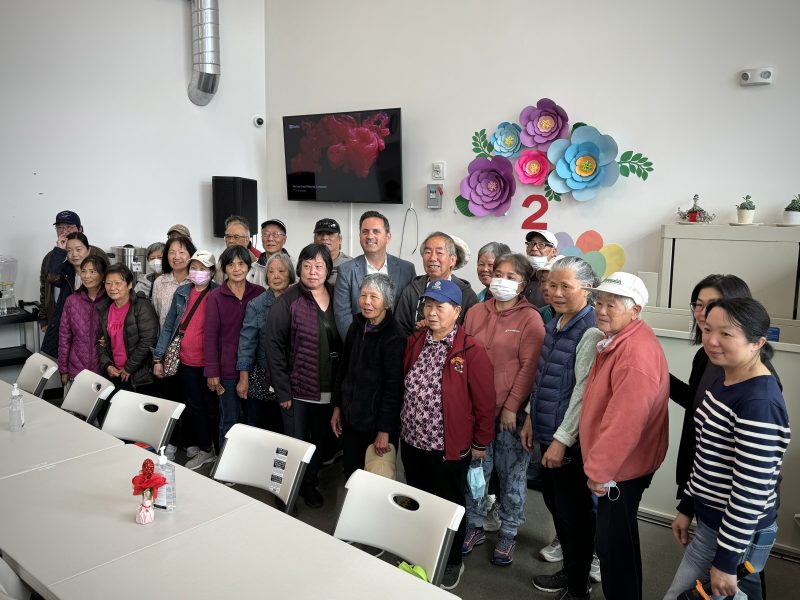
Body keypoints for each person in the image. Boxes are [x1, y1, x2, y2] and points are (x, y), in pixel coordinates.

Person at [663, 298, 790, 600]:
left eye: (726, 334)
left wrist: (726, 561)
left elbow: (750, 491)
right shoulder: (724, 377)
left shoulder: (759, 402)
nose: (712, 340)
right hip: (711, 524)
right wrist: (688, 506)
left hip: (735, 536)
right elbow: (706, 455)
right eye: (707, 329)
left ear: (758, 341)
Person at [578, 272, 669, 600]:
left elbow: (625, 424)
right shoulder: (621, 339)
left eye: (612, 304)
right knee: (619, 542)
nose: (601, 310)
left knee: (614, 548)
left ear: (636, 310)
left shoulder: (634, 354)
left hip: (621, 471)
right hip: (622, 467)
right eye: (599, 302)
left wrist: (600, 472)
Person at [400, 279, 495, 590]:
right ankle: (419, 551)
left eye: (439, 306)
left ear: (457, 311)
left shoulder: (471, 349)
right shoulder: (416, 341)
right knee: (418, 500)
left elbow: (484, 402)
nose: (432, 312)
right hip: (413, 440)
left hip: (448, 447)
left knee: (451, 504)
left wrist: (480, 443)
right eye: (428, 305)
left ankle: (453, 560)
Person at [521, 257, 604, 599]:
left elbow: (582, 393)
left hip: (567, 443)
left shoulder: (590, 330)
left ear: (586, 289)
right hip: (546, 431)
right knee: (559, 510)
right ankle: (571, 573)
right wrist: (529, 416)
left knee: (575, 517)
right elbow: (544, 379)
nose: (555, 292)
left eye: (565, 286)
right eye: (551, 285)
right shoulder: (557, 321)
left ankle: (578, 585)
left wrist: (560, 441)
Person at [461, 253, 544, 566]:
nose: (502, 280)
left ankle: (509, 532)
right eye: (498, 273)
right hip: (476, 413)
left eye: (511, 276)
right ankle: (475, 524)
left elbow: (529, 367)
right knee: (476, 473)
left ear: (523, 283)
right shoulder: (475, 312)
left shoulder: (530, 318)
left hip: (511, 415)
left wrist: (512, 407)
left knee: (512, 476)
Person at [267, 244, 342, 509]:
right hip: (296, 390)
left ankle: (309, 483)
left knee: (319, 443)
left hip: (327, 389)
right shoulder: (288, 300)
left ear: (328, 270)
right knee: (290, 444)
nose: (312, 271)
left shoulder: (338, 296)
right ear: (298, 269)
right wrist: (282, 390)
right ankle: (280, 488)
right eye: (307, 265)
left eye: (319, 266)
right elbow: (273, 346)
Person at [331, 273, 405, 478]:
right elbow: (343, 369)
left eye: (374, 297)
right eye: (363, 295)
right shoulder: (356, 326)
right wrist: (338, 407)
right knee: (351, 475)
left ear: (387, 302)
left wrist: (384, 431)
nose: (367, 302)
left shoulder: (394, 335)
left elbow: (394, 389)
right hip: (352, 419)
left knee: (375, 482)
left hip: (376, 425)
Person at [152, 251, 218, 471]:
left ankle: (213, 448)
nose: (197, 272)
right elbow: (169, 326)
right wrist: (158, 356)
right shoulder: (182, 292)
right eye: (194, 267)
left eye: (203, 268)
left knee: (211, 407)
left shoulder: (218, 293)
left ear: (212, 272)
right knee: (195, 406)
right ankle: (203, 448)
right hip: (186, 362)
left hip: (210, 363)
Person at [204, 245, 263, 447]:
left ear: (248, 267)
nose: (236, 269)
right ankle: (224, 467)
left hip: (255, 368)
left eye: (241, 264)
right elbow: (210, 336)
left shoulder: (259, 293)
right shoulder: (215, 297)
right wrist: (212, 371)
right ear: (224, 269)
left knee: (253, 421)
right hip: (226, 370)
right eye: (231, 264)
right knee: (229, 420)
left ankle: (248, 464)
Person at [236, 253, 296, 433]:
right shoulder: (257, 304)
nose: (276, 276)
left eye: (281, 271)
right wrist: (243, 378)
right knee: (261, 429)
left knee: (288, 430)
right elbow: (246, 344)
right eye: (271, 272)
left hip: (293, 376)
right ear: (266, 276)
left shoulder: (299, 301)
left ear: (290, 274)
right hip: (262, 375)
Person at [334, 210, 416, 338]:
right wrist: (359, 346)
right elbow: (342, 315)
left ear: (388, 237)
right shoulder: (346, 270)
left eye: (376, 231)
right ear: (360, 236)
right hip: (360, 346)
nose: (370, 236)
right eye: (365, 232)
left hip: (397, 345)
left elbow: (410, 312)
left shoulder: (407, 269)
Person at [394, 232, 479, 337]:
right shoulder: (412, 290)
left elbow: (470, 334)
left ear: (452, 260)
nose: (432, 258)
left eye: (439, 253)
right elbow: (399, 330)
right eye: (428, 252)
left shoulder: (466, 294)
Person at [97, 263, 159, 394]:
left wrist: (128, 367)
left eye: (118, 283)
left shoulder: (142, 306)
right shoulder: (105, 309)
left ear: (130, 284)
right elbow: (101, 342)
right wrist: (107, 365)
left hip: (137, 375)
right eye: (108, 283)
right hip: (114, 372)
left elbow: (148, 340)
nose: (112, 288)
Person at [39, 210, 105, 333]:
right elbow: (45, 289)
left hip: (90, 321)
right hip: (58, 319)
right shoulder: (50, 258)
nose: (64, 231)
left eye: (69, 227)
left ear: (80, 229)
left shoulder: (97, 254)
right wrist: (44, 320)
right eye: (60, 227)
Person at [57, 254, 109, 385]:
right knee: (74, 405)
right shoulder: (72, 301)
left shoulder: (111, 301)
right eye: (84, 271)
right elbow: (64, 337)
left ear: (103, 275)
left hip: (105, 370)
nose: (86, 276)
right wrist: (63, 369)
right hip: (76, 369)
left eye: (93, 272)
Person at [41, 232, 92, 359]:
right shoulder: (65, 271)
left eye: (78, 249)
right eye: (69, 251)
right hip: (65, 328)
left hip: (88, 330)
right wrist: (59, 250)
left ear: (88, 250)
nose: (74, 254)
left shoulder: (98, 270)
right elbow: (51, 277)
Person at [151, 235, 197, 328]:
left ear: (191, 255)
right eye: (172, 252)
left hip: (190, 340)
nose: (176, 257)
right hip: (163, 339)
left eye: (181, 252)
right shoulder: (159, 282)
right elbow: (154, 317)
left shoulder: (198, 282)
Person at [522, 230, 558, 307]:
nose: (534, 248)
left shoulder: (557, 276)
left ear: (553, 252)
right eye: (531, 243)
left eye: (541, 245)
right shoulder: (520, 273)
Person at [312, 218, 351, 285]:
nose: (324, 238)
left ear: (340, 239)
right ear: (314, 239)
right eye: (320, 234)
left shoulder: (350, 264)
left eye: (330, 234)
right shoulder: (308, 262)